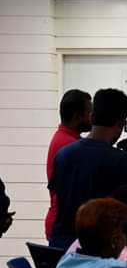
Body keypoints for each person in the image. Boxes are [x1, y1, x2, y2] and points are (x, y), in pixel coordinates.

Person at [48, 88, 127, 251]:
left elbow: (57, 198)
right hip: (96, 252)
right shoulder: (120, 161)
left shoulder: (63, 155)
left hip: (61, 247)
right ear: (121, 124)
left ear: (92, 117)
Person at [44, 89, 92, 240]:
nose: (93, 117)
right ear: (77, 117)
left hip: (61, 221)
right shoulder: (69, 145)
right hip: (65, 225)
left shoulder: (65, 139)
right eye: (89, 112)